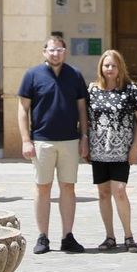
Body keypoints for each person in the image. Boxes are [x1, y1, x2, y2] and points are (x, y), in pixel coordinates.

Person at [17, 33, 90, 254]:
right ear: (44, 52)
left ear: (64, 52)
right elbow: (22, 109)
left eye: (59, 49)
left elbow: (81, 109)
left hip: (69, 140)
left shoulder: (74, 75)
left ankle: (68, 236)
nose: (55, 53)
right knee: (43, 188)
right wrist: (25, 140)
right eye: (51, 49)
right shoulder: (32, 75)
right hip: (41, 141)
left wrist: (84, 136)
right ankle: (43, 237)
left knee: (68, 187)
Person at [86, 49, 137, 253]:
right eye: (106, 65)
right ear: (101, 68)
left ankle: (128, 236)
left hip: (121, 150)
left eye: (113, 65)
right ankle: (109, 236)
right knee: (103, 193)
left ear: (120, 67)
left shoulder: (130, 89)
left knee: (119, 191)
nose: (109, 69)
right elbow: (85, 118)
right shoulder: (92, 90)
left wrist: (136, 147)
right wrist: (84, 142)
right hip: (99, 150)